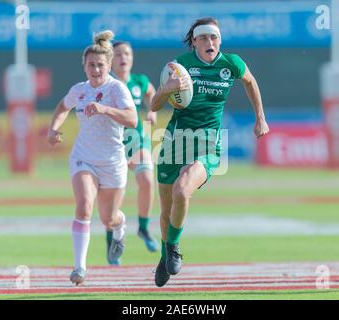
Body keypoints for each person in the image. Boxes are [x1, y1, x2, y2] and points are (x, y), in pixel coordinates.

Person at [150, 17, 269, 287]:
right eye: (203, 38)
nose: (209, 42)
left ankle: (174, 247)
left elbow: (250, 81)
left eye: (214, 37)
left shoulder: (231, 64)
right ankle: (165, 252)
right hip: (174, 141)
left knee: (182, 190)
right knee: (167, 208)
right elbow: (155, 105)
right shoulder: (179, 66)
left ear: (220, 41)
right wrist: (167, 89)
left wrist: (260, 117)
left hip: (207, 142)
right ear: (194, 42)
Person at [47, 30, 138, 286]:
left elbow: (133, 120)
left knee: (108, 218)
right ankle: (79, 268)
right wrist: (53, 129)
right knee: (84, 205)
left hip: (112, 161)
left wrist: (105, 109)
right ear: (84, 67)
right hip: (83, 157)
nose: (95, 69)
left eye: (100, 65)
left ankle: (120, 228)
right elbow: (62, 107)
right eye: (91, 65)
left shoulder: (117, 89)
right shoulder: (79, 90)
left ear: (108, 65)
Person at [103, 41, 158, 265]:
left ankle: (144, 227)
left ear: (132, 58)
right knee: (114, 197)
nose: (123, 57)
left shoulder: (139, 81)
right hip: (112, 143)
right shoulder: (106, 83)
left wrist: (152, 110)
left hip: (137, 140)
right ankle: (112, 243)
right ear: (110, 59)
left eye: (127, 53)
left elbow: (151, 92)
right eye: (117, 54)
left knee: (146, 179)